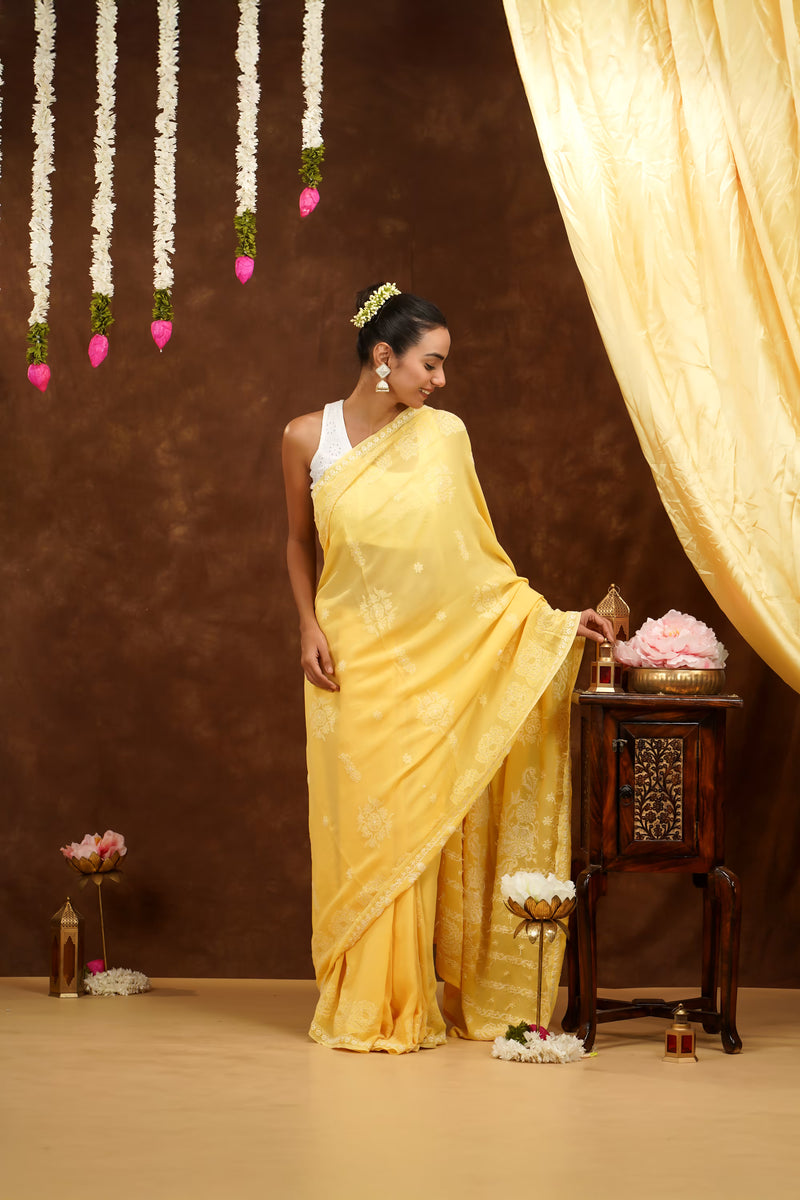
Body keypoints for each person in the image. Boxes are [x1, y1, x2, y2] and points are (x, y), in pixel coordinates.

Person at [282, 282, 612, 1052]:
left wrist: (555, 624)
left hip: (427, 668)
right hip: (349, 665)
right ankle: (360, 998)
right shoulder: (306, 437)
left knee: (415, 825)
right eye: (431, 364)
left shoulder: (444, 436)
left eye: (444, 367)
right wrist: (306, 625)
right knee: (366, 833)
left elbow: (477, 567)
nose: (440, 381)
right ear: (383, 357)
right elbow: (299, 544)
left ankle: (408, 1002)